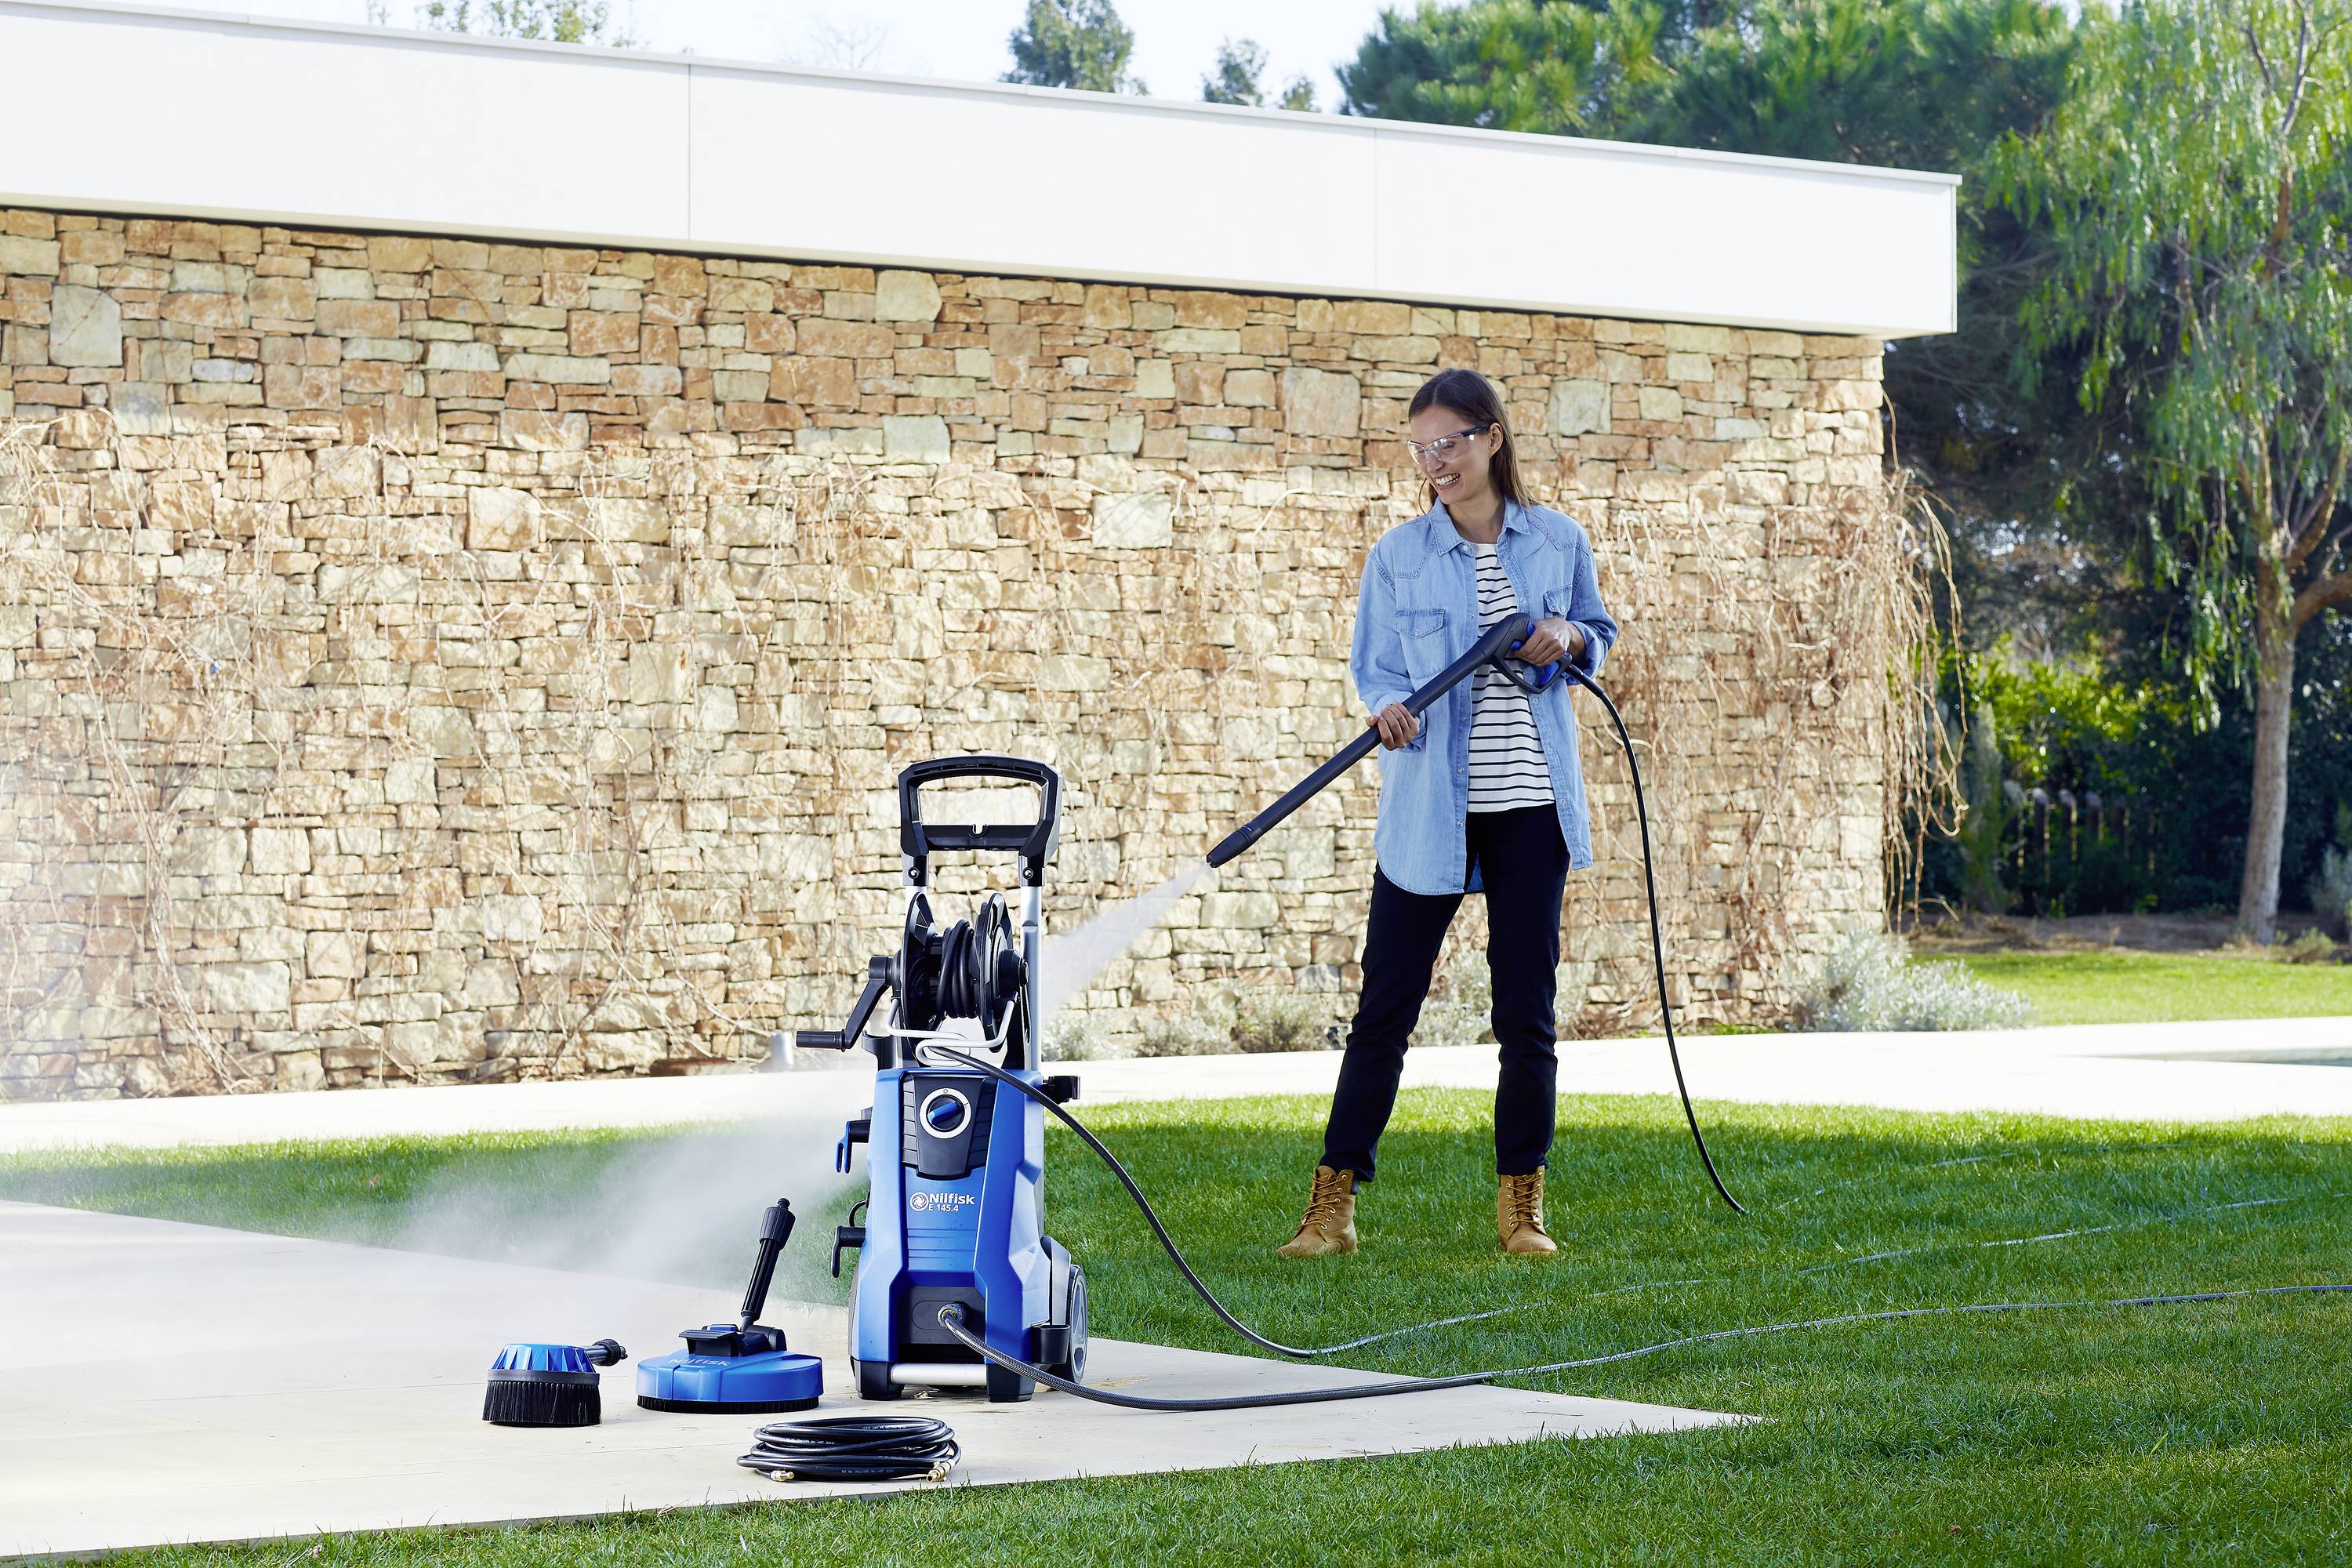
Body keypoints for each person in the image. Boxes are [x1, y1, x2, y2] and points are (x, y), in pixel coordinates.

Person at [1276, 367, 1618, 1259]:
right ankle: (1332, 1207)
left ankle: (1521, 1208)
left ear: (1491, 438)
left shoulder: (1557, 542)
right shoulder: (1398, 555)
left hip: (1528, 806)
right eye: (1421, 447)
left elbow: (1598, 634)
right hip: (1430, 806)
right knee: (1384, 1009)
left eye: (1451, 443)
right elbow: (1378, 666)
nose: (1436, 462)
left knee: (1526, 1013)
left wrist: (1569, 638)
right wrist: (1385, 706)